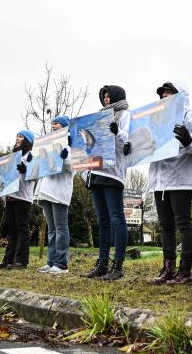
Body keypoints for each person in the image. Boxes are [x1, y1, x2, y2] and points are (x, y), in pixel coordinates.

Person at [147, 81, 192, 284]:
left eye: (169, 92)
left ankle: (185, 271)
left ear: (180, 95)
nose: (165, 96)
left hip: (180, 177)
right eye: (162, 93)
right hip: (159, 179)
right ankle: (168, 268)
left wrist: (189, 140)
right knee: (165, 226)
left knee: (183, 223)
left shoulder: (190, 116)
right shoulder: (156, 119)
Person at [84, 85, 130, 280]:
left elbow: (127, 143)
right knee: (102, 221)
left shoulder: (125, 115)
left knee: (116, 219)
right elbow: (90, 144)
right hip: (96, 172)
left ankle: (117, 265)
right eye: (104, 96)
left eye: (109, 96)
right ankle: (102, 263)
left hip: (112, 172)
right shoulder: (97, 117)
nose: (106, 100)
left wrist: (116, 131)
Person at [34, 116, 74, 274]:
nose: (54, 126)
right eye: (52, 124)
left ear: (65, 127)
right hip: (46, 190)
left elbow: (74, 168)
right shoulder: (47, 147)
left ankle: (61, 264)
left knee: (61, 228)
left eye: (57, 123)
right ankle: (51, 262)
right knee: (51, 229)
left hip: (59, 192)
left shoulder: (71, 147)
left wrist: (65, 159)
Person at [0, 130, 35, 270]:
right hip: (10, 196)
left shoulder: (31, 155)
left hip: (23, 196)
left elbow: (36, 174)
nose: (17, 139)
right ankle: (8, 259)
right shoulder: (13, 156)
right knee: (12, 229)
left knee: (22, 228)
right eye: (17, 136)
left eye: (21, 137)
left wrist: (26, 170)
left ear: (27, 140)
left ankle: (21, 260)